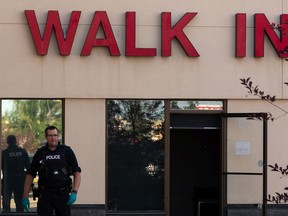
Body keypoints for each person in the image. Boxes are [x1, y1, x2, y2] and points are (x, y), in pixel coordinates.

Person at [22, 125, 81, 216]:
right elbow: (30, 174)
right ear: (46, 137)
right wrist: (25, 196)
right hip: (45, 194)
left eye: (55, 135)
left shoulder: (66, 151)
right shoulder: (41, 153)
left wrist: (74, 192)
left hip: (62, 194)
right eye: (50, 136)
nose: (53, 138)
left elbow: (76, 173)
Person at [1, 135, 30, 212]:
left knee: (6, 203)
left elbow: (2, 167)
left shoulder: (4, 153)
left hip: (7, 180)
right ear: (15, 141)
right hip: (19, 179)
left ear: (7, 142)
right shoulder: (22, 152)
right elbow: (28, 167)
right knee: (19, 203)